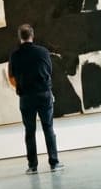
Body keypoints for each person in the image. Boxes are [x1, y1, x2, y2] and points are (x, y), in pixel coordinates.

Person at [7, 23, 63, 174]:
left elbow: (11, 77)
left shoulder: (15, 55)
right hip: (44, 94)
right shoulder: (43, 52)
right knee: (48, 128)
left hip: (26, 97)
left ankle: (32, 166)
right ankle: (54, 163)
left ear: (20, 37)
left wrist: (22, 86)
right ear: (32, 35)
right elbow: (49, 72)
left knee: (29, 131)